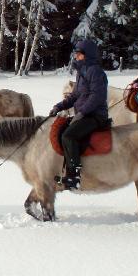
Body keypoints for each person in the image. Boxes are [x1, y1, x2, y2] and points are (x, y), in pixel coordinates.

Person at [48, 40, 109, 190]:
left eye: (79, 54)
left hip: (95, 115)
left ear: (87, 55)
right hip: (85, 114)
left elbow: (97, 96)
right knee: (62, 130)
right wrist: (59, 106)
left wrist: (82, 112)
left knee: (69, 136)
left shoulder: (95, 71)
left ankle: (74, 176)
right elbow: (75, 96)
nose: (76, 57)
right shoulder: (82, 72)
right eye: (76, 54)